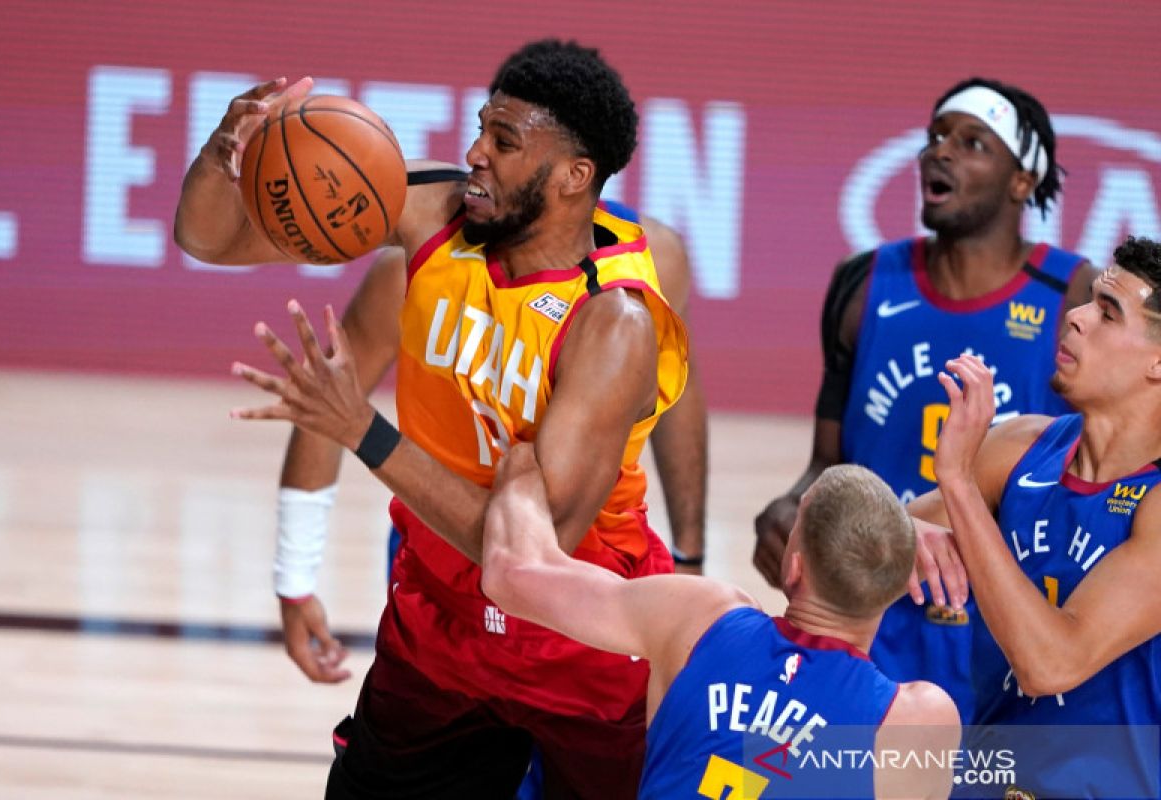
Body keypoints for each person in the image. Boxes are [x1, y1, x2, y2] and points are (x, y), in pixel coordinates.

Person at [175, 39, 688, 798]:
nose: (475, 152)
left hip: (587, 647)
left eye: (505, 142)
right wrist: (226, 156)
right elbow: (207, 237)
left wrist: (363, 431)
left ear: (577, 177)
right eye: (482, 127)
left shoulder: (614, 323)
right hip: (438, 629)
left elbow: (528, 562)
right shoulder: (435, 214)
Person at [753, 77, 1096, 721]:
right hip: (869, 614)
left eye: (972, 143)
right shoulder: (865, 282)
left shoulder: (1072, 295)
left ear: (1023, 181)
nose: (940, 152)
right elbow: (827, 460)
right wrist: (789, 508)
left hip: (1000, 629)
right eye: (936, 137)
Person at [273, 201, 709, 687]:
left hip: (579, 582)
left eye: (503, 139)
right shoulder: (415, 265)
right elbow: (329, 403)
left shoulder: (650, 262)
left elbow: (677, 403)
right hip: (438, 563)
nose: (477, 154)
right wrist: (295, 580)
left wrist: (689, 553)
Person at [482, 444, 960, 799]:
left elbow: (513, 573)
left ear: (792, 569)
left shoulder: (699, 619)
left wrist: (523, 456)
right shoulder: (918, 719)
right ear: (896, 585)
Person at [911, 235, 1161, 797]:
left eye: (1107, 311)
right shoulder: (1023, 445)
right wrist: (875, 517)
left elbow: (1051, 664)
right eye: (1088, 300)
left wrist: (958, 485)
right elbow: (878, 539)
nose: (1074, 317)